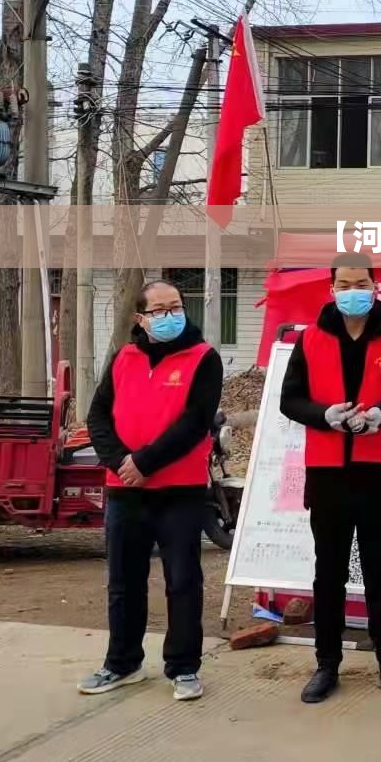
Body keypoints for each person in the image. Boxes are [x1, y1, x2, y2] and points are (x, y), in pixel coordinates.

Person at [280, 256, 381, 703]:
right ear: (331, 289)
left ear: (375, 286)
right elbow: (290, 400)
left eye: (361, 283)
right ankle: (327, 664)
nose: (353, 291)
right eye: (344, 284)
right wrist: (324, 415)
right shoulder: (311, 339)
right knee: (328, 573)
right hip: (327, 472)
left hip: (376, 469)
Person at [78, 278, 223, 702]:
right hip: (125, 491)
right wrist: (121, 463)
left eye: (175, 307)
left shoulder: (203, 358)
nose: (169, 316)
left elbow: (195, 423)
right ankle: (122, 663)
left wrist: (144, 462)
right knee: (123, 581)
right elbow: (98, 416)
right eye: (159, 310)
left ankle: (183, 667)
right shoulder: (124, 358)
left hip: (179, 491)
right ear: (141, 318)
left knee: (183, 580)